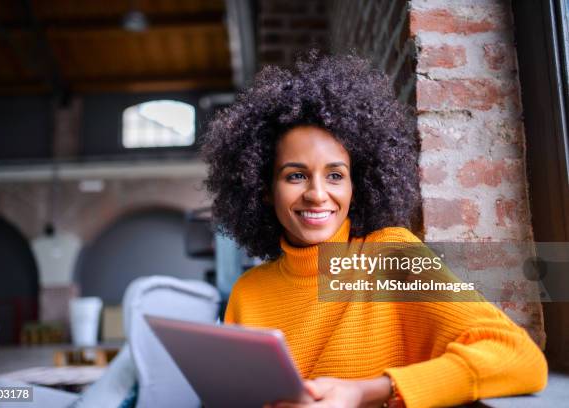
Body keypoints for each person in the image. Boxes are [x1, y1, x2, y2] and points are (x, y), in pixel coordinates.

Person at [200, 51, 548, 408]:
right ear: (264, 190)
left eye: (335, 175)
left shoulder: (391, 256)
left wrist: (366, 391)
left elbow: (519, 357)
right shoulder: (248, 294)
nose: (317, 194)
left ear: (356, 186)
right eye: (296, 176)